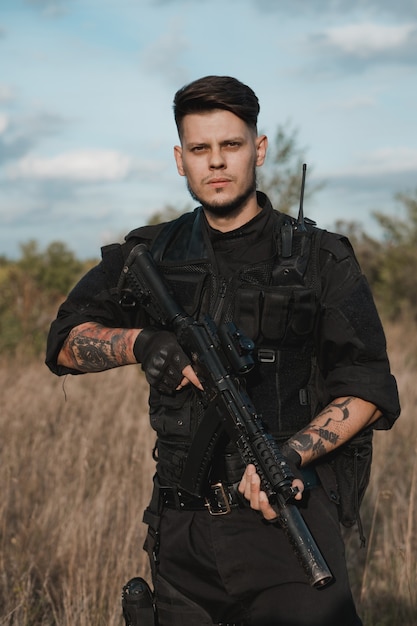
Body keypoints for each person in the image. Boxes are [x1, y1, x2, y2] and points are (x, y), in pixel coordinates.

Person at [46, 75, 400, 626]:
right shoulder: (150, 255)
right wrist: (140, 343)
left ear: (259, 150)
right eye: (199, 149)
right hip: (181, 534)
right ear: (179, 158)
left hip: (286, 519)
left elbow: (369, 390)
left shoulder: (318, 258)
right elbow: (65, 342)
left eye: (231, 146)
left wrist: (289, 455)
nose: (216, 162)